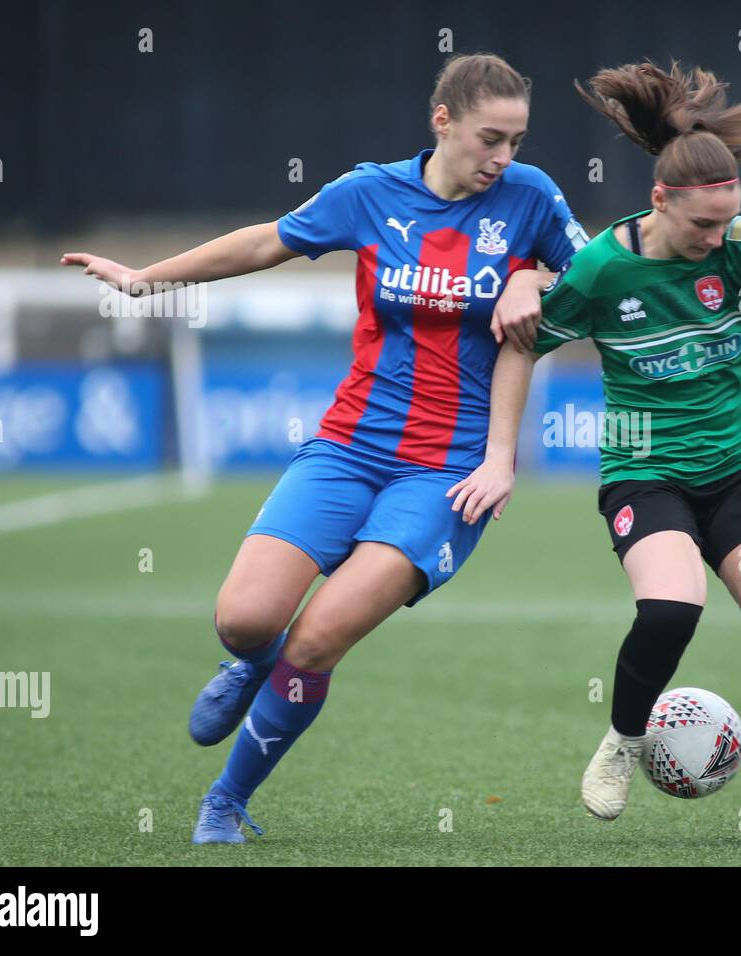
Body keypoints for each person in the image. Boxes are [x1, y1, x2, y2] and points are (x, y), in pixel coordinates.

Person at [61, 53, 587, 844]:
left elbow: (603, 283)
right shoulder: (369, 192)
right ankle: (249, 662)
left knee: (318, 638)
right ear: (442, 122)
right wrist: (146, 280)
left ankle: (226, 800)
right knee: (244, 620)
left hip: (448, 474)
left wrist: (536, 283)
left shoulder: (532, 200)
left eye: (516, 140)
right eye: (490, 139)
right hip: (348, 446)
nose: (504, 158)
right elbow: (264, 243)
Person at [448, 60, 741, 847]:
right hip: (646, 472)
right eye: (702, 227)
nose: (718, 239)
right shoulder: (606, 269)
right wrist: (500, 452)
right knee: (673, 607)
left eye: (728, 222)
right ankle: (622, 740)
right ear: (659, 202)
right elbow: (521, 347)